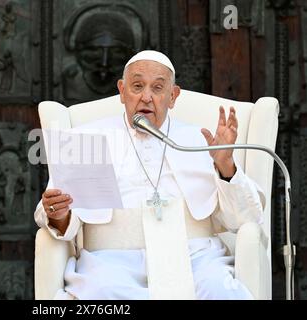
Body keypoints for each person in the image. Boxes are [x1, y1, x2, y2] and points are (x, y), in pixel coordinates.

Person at [34, 50, 265, 300]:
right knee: (100, 292)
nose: (146, 97)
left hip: (193, 257)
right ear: (122, 91)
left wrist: (225, 166)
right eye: (137, 86)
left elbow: (246, 218)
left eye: (157, 88)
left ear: (173, 96)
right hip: (112, 262)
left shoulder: (199, 140)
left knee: (219, 289)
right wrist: (58, 215)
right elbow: (58, 213)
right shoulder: (86, 138)